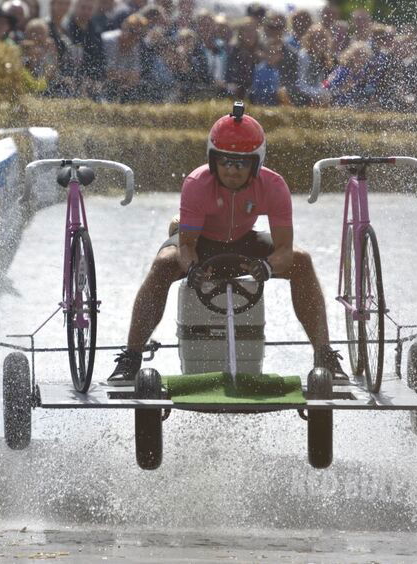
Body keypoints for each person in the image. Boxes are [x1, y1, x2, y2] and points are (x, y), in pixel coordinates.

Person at [107, 102, 346, 387]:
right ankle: (131, 357)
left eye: (241, 163)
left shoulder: (274, 185)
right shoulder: (197, 183)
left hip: (245, 242)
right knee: (163, 264)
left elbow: (284, 249)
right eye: (225, 162)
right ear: (213, 160)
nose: (232, 171)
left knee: (301, 260)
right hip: (201, 243)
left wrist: (267, 268)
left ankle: (324, 355)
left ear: (256, 162)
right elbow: (186, 248)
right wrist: (191, 269)